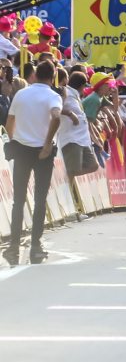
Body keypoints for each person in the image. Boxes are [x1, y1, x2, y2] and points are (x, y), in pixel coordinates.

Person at [2, 59, 62, 265]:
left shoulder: (21, 94)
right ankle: (36, 245)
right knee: (39, 199)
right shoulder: (53, 95)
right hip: (42, 151)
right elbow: (56, 117)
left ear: (35, 75)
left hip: (22, 148)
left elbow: (10, 122)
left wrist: (14, 140)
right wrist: (47, 143)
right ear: (52, 78)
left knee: (18, 200)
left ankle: (13, 246)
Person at [59, 71, 98, 178]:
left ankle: (65, 176)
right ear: (82, 85)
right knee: (72, 170)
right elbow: (54, 107)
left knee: (93, 165)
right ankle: (66, 179)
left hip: (82, 139)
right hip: (71, 139)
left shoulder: (75, 95)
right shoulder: (66, 92)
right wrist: (69, 113)